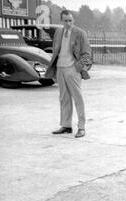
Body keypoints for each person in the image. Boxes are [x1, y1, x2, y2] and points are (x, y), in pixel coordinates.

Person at [46, 10, 92, 138]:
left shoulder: (80, 33)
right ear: (62, 20)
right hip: (60, 68)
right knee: (64, 98)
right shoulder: (58, 32)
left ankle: (81, 127)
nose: (68, 23)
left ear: (73, 20)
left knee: (78, 98)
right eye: (65, 21)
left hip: (73, 69)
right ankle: (66, 125)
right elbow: (56, 49)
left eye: (70, 20)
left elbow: (87, 53)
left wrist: (78, 67)